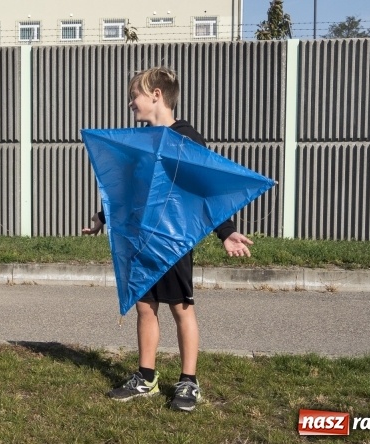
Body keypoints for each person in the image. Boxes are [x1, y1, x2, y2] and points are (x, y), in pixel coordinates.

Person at [82, 66, 254, 412]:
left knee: (181, 308)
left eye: (135, 97)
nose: (131, 104)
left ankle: (188, 382)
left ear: (156, 95)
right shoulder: (141, 141)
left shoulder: (186, 138)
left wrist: (226, 231)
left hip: (173, 240)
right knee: (145, 306)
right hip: (141, 240)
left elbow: (207, 188)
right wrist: (103, 217)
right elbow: (128, 188)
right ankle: (146, 376)